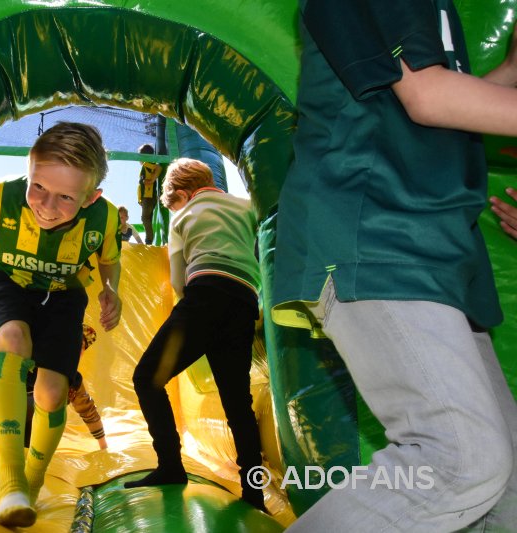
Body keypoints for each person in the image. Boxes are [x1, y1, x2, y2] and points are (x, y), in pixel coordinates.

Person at [271, 2, 517, 531]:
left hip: (435, 243)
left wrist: (511, 72)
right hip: (377, 229)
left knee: (508, 487)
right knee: (458, 460)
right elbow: (428, 97)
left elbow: (429, 99)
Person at [0, 122, 122, 528]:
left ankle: (33, 481)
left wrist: (111, 289)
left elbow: (109, 258)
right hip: (5, 279)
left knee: (53, 392)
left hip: (63, 294)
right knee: (11, 336)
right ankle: (11, 484)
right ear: (29, 170)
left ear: (91, 198)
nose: (46, 205)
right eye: (38, 186)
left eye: (65, 198)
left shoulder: (103, 219)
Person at [125, 158, 267, 512]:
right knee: (238, 405)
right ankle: (255, 494)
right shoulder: (248, 206)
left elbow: (178, 280)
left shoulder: (183, 216)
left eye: (174, 203)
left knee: (147, 378)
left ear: (183, 194)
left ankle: (171, 466)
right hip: (246, 301)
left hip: (205, 295)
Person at [0, 324, 107, 453]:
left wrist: (103, 445)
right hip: (16, 406)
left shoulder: (73, 378)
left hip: (39, 424)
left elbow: (87, 410)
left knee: (30, 438)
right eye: (70, 344)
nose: (74, 351)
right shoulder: (37, 361)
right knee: (29, 405)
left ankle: (14, 446)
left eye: (80, 347)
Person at [136, 143, 162, 244]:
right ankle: (150, 238)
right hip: (146, 197)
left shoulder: (147, 164)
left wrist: (151, 180)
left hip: (148, 196)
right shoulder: (145, 166)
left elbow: (159, 168)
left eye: (139, 156)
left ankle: (149, 240)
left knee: (145, 218)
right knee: (148, 218)